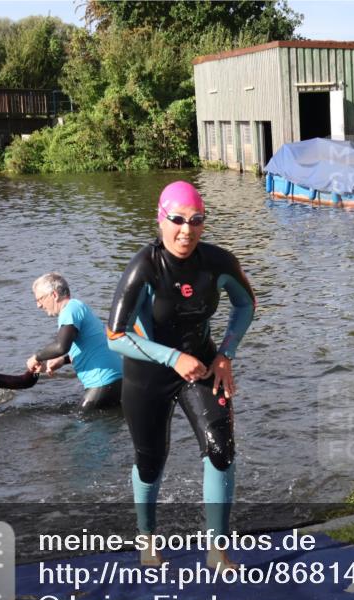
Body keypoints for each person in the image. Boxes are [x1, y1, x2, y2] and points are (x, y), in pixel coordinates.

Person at [107, 181, 255, 568]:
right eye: (176, 220)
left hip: (204, 365)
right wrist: (171, 357)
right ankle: (147, 539)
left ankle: (217, 551)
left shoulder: (217, 262)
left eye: (196, 220)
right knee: (151, 461)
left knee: (221, 449)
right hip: (147, 374)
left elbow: (246, 304)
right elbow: (115, 336)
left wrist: (226, 354)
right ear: (161, 220)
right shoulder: (145, 266)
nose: (186, 230)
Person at [27, 273, 122, 411]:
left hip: (103, 382)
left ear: (54, 295)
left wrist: (36, 357)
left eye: (40, 299)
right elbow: (92, 346)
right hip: (116, 381)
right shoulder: (78, 307)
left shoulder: (70, 310)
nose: (38, 305)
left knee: (77, 427)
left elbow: (60, 346)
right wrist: (62, 361)